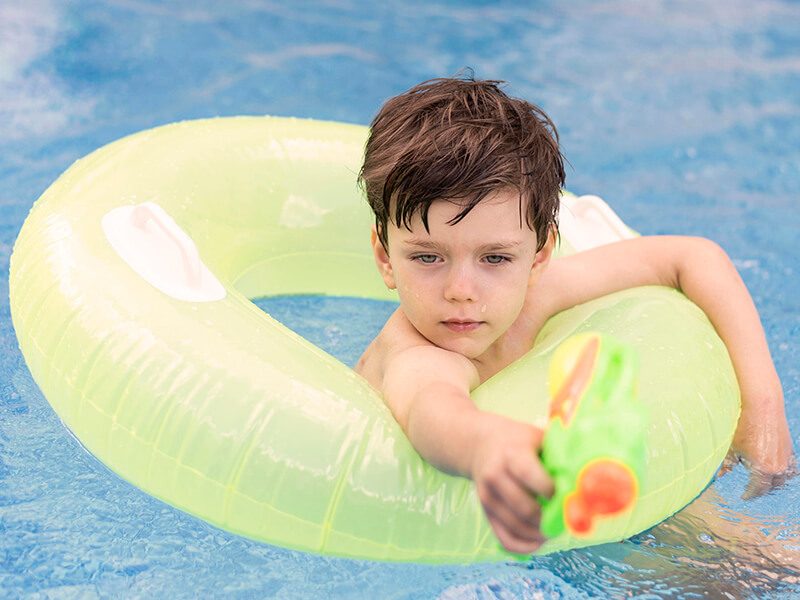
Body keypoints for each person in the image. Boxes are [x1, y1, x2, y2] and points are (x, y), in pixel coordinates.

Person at [354, 75, 794, 554]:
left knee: (747, 549)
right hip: (435, 529)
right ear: (384, 257)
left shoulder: (533, 296)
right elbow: (431, 411)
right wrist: (491, 447)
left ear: (539, 256)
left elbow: (692, 257)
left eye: (495, 258)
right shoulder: (418, 354)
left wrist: (763, 406)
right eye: (427, 257)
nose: (462, 291)